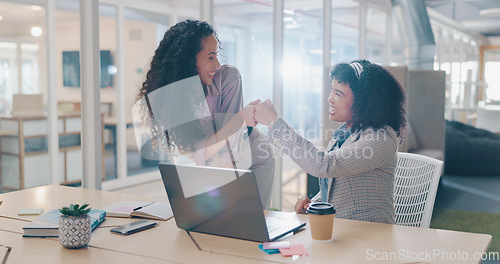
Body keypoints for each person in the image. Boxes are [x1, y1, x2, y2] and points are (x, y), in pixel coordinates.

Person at [135, 20, 275, 208]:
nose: (217, 64)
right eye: (210, 57)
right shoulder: (172, 100)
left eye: (216, 56)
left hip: (253, 156)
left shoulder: (227, 77)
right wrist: (239, 120)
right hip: (215, 164)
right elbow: (197, 153)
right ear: (188, 61)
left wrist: (237, 123)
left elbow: (229, 152)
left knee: (251, 222)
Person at [255, 59, 405, 223]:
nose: (330, 99)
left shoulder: (381, 138)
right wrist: (313, 206)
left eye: (338, 94)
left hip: (371, 233)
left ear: (364, 102)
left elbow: (325, 165)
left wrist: (273, 122)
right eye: (332, 91)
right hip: (340, 230)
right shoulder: (344, 135)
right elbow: (337, 183)